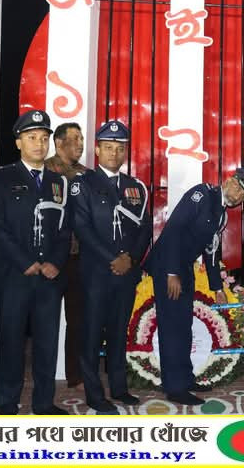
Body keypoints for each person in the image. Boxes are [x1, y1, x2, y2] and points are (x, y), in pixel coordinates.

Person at [143, 168, 244, 405]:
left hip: (184, 267)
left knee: (184, 325)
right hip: (168, 266)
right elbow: (174, 229)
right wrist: (172, 272)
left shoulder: (221, 214)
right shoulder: (201, 195)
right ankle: (175, 388)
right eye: (239, 189)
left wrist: (217, 288)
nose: (239, 196)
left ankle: (185, 379)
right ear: (229, 181)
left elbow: (212, 251)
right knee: (172, 326)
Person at [0, 110, 71, 415]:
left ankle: (44, 402)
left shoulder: (58, 182)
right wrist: (26, 262)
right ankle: (7, 402)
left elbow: (65, 229)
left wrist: (55, 262)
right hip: (15, 275)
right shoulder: (1, 178)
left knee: (46, 343)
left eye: (44, 138)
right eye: (32, 137)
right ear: (18, 142)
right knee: (11, 342)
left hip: (49, 278)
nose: (39, 143)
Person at [70, 120, 152, 414]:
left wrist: (131, 259)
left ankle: (119, 388)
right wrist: (112, 258)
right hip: (96, 273)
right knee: (91, 334)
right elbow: (82, 227)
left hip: (126, 273)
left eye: (119, 148)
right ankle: (95, 395)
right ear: (97, 150)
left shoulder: (135, 187)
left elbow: (145, 228)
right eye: (108, 148)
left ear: (125, 151)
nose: (114, 153)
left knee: (119, 332)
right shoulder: (82, 183)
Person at [45, 122, 88, 390]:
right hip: (51, 259)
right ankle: (44, 376)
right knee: (46, 321)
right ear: (59, 142)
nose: (80, 143)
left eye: (81, 138)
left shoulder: (87, 175)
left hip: (79, 259)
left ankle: (76, 374)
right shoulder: (46, 170)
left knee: (78, 320)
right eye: (74, 138)